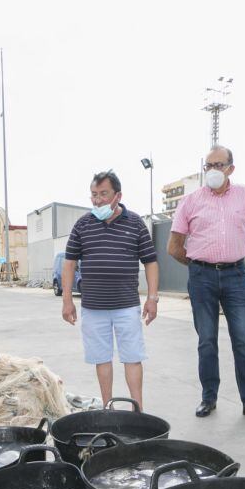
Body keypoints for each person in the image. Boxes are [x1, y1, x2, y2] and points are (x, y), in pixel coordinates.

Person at [167, 146, 245, 424]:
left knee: (244, 341)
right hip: (201, 278)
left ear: (231, 169)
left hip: (236, 277)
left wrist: (230, 256)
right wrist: (200, 264)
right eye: (208, 165)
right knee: (207, 341)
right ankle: (208, 397)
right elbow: (174, 246)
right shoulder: (190, 201)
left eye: (219, 165)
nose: (213, 170)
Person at [62, 171, 159, 408]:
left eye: (103, 194)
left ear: (118, 195)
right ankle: (108, 408)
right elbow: (69, 263)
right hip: (94, 307)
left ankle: (138, 410)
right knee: (101, 359)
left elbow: (150, 262)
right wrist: (67, 300)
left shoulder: (135, 223)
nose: (97, 200)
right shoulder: (83, 224)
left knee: (133, 358)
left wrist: (152, 298)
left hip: (127, 305)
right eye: (94, 195)